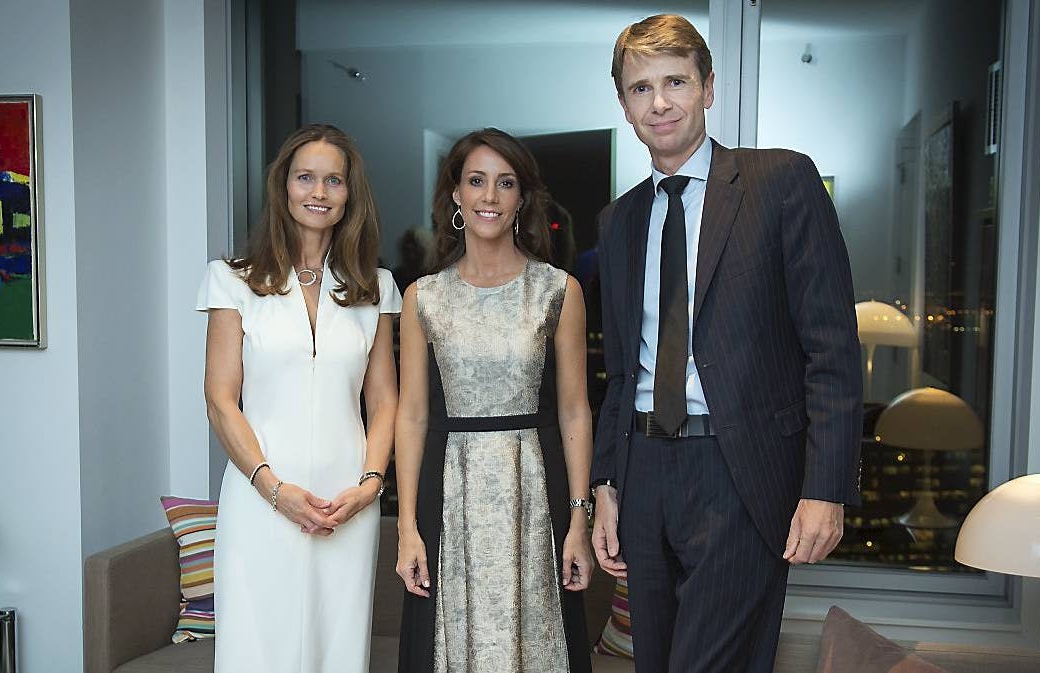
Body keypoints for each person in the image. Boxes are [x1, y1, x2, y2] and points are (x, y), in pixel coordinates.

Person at [589, 15, 863, 673]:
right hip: (644, 472)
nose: (659, 102)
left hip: (739, 471)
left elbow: (832, 348)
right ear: (623, 103)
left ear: (708, 87)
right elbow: (622, 371)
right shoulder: (619, 220)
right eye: (640, 88)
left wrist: (825, 488)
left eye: (676, 81)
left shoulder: (781, 184)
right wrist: (604, 482)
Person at [197, 123, 401, 673]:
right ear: (282, 187)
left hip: (347, 504)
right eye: (305, 177)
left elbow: (385, 402)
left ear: (350, 193)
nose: (318, 191)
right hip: (261, 499)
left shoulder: (376, 288)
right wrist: (273, 489)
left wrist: (371, 485)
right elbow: (221, 399)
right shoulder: (232, 281)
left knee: (338, 652)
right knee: (257, 652)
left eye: (333, 180)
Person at [394, 128, 595, 673]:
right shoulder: (422, 298)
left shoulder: (558, 291)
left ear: (522, 198)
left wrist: (579, 520)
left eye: (505, 183)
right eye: (476, 181)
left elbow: (575, 410)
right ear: (455, 194)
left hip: (534, 489)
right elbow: (411, 415)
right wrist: (407, 528)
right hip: (448, 491)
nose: (489, 197)